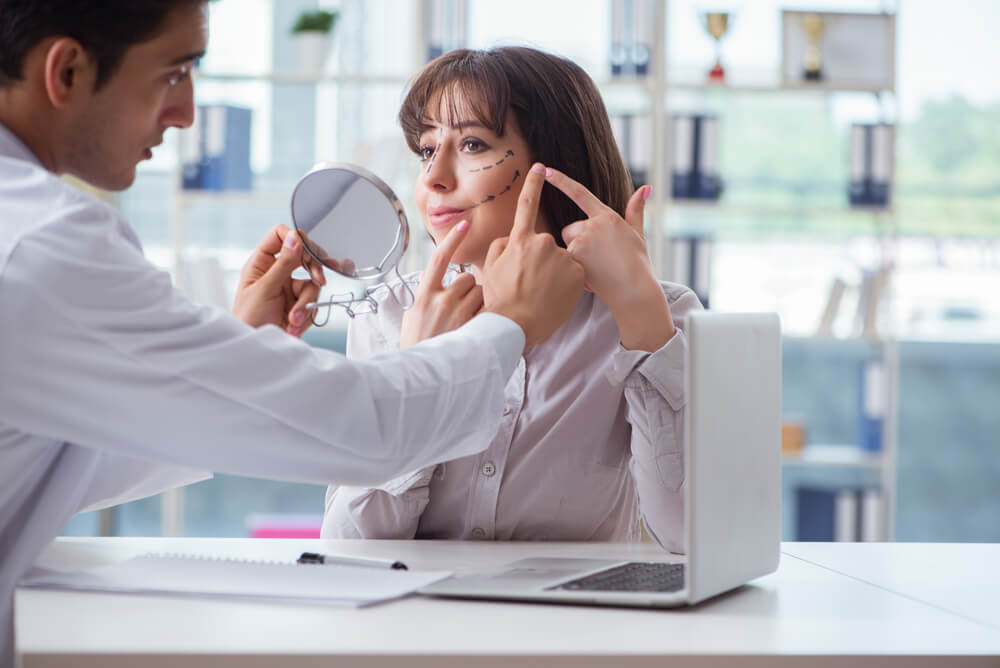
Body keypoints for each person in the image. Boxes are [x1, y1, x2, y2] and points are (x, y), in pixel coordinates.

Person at [0, 4, 584, 665]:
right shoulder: (44, 242)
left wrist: (240, 346)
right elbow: (368, 430)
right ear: (67, 70)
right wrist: (510, 325)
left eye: (473, 144)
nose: (188, 113)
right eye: (176, 71)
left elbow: (45, 450)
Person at [321, 48, 703, 550]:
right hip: (415, 620)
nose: (433, 177)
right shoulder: (392, 313)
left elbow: (687, 535)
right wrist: (420, 372)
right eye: (427, 149)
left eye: (473, 144)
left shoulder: (659, 314)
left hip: (579, 623)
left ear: (558, 162)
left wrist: (640, 315)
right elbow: (350, 544)